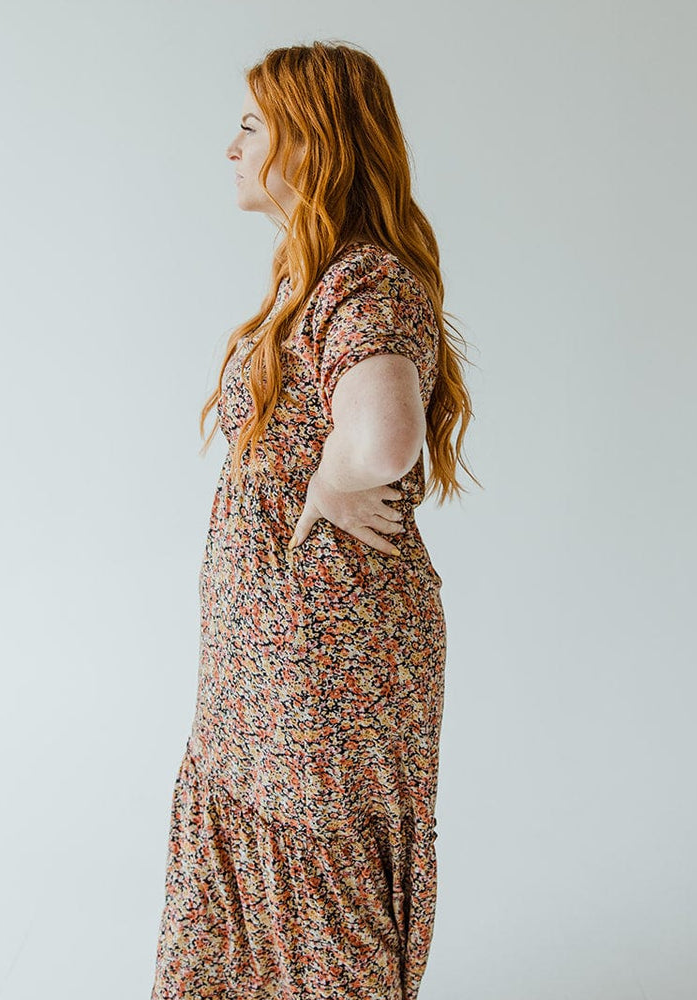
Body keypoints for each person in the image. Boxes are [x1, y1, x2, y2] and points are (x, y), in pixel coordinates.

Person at [150, 40, 476, 1000]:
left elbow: (382, 437)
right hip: (278, 667)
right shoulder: (320, 277)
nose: (232, 148)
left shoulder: (362, 283)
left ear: (313, 141)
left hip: (320, 671)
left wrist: (330, 483)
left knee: (313, 889)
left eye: (251, 126)